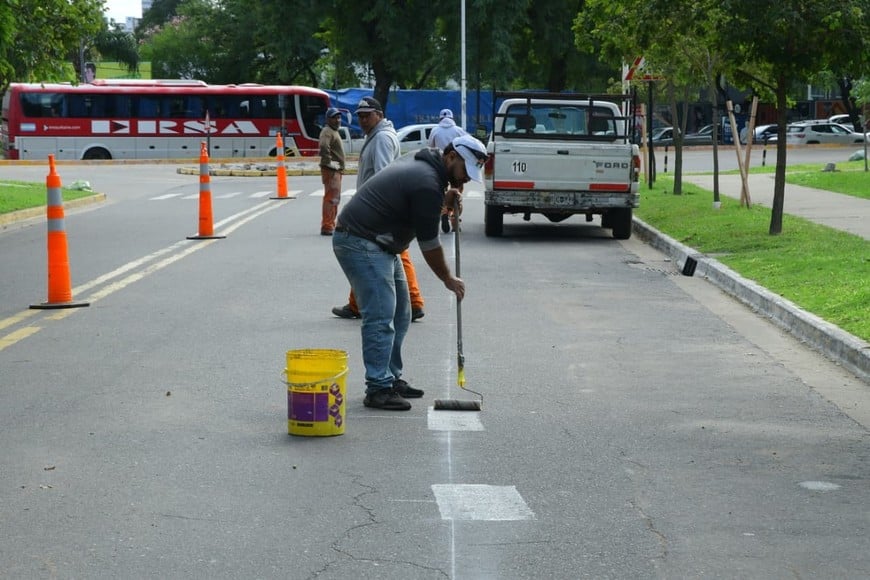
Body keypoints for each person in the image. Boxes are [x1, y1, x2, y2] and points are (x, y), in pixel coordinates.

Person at [332, 134, 487, 410]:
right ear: (451, 156)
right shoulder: (427, 182)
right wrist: (448, 279)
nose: (465, 180)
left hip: (379, 242)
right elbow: (429, 244)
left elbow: (412, 207)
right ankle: (378, 387)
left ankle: (390, 378)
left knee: (402, 312)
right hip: (360, 240)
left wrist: (444, 199)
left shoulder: (430, 172)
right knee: (380, 315)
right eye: (465, 171)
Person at [331, 97, 427, 321]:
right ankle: (357, 304)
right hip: (373, 208)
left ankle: (413, 301)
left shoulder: (382, 138)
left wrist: (375, 208)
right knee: (368, 253)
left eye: (367, 115)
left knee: (393, 254)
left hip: (376, 209)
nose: (363, 120)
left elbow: (383, 176)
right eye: (360, 116)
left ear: (380, 115)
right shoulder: (377, 136)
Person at [428, 108, 469, 232]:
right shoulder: (459, 131)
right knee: (456, 193)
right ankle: (454, 220)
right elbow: (468, 145)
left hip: (440, 166)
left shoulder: (435, 130)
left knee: (441, 192)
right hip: (456, 168)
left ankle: (444, 210)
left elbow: (430, 148)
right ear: (452, 119)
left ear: (440, 119)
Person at [319, 107, 346, 236]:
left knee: (334, 198)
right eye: (334, 117)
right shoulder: (327, 131)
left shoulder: (333, 131)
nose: (337, 120)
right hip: (331, 170)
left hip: (335, 170)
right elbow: (324, 146)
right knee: (331, 198)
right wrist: (329, 162)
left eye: (339, 117)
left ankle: (330, 224)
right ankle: (327, 225)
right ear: (328, 119)